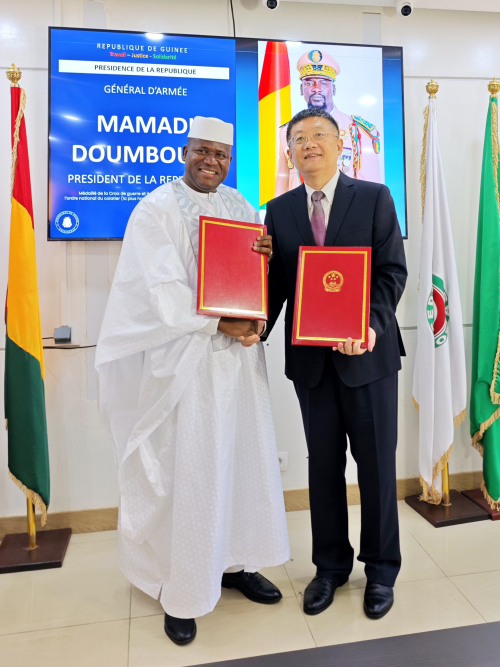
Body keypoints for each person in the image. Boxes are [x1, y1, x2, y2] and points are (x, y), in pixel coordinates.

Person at [96, 116, 290, 646]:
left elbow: (249, 282)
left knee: (241, 461)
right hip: (184, 366)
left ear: (230, 160)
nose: (211, 161)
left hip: (238, 366)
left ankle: (236, 562)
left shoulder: (241, 207)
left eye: (221, 154)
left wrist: (258, 298)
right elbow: (158, 291)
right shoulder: (155, 209)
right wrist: (219, 324)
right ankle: (180, 588)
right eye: (202, 150)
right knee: (190, 470)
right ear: (184, 152)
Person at [264, 108, 407, 620]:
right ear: (289, 152)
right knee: (322, 467)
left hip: (367, 358)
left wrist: (369, 326)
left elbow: (391, 272)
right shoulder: (278, 210)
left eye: (319, 134)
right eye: (299, 138)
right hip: (312, 366)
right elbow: (277, 286)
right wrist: (252, 323)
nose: (309, 144)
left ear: (340, 142)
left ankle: (381, 570)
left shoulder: (374, 197)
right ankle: (329, 568)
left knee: (376, 466)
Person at [275, 49, 381, 197]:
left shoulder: (358, 131)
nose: (316, 89)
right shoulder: (287, 131)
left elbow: (370, 193)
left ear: (334, 88)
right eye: (309, 83)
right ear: (301, 89)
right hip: (298, 211)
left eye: (324, 83)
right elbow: (282, 188)